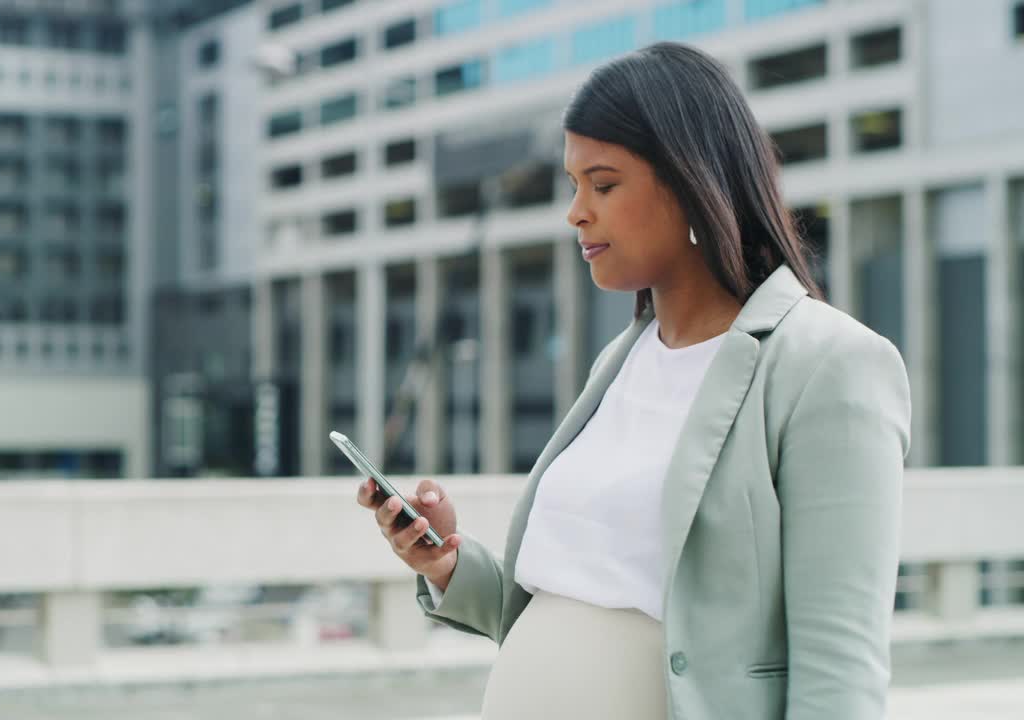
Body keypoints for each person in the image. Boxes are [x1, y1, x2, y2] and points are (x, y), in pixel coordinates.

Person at [355, 41, 911, 719]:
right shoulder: (621, 361)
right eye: (573, 183)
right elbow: (578, 594)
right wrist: (446, 564)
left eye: (605, 182)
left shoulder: (829, 364)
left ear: (690, 180)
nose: (576, 211)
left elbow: (840, 669)